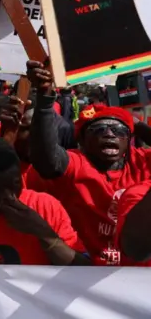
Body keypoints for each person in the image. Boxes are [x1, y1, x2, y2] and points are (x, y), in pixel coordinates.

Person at [27, 60, 151, 265]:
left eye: (118, 131)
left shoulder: (142, 161)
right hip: (85, 272)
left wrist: (136, 124)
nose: (110, 134)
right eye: (99, 130)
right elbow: (46, 160)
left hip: (137, 279)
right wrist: (45, 99)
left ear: (129, 140)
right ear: (82, 141)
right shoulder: (77, 163)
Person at [0, 138, 89, 276]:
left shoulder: (46, 206)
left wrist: (42, 232)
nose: (8, 196)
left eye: (15, 184)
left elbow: (84, 270)